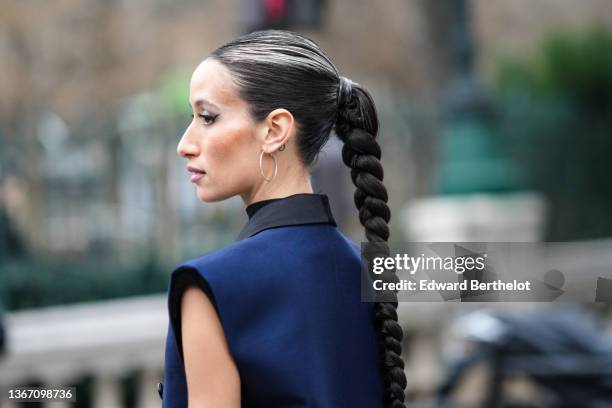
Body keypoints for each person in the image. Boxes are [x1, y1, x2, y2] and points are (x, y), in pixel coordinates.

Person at [159, 30, 407, 408]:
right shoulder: (364, 269)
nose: (185, 144)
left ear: (275, 130)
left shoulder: (212, 285)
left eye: (207, 117)